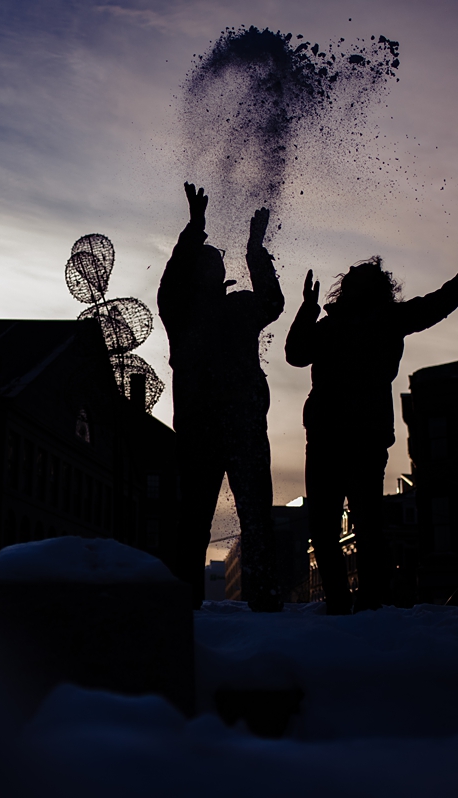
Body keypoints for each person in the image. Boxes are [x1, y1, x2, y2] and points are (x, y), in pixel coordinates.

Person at [285, 249, 458, 614]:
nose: (349, 283)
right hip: (328, 435)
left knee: (364, 523)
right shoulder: (331, 326)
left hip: (360, 434)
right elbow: (296, 354)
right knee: (329, 525)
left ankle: (369, 602)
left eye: (354, 281)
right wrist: (308, 309)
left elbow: (441, 302)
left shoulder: (389, 319)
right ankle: (340, 602)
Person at [158, 182, 285, 611]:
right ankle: (185, 605)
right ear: (197, 271)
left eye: (218, 258)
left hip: (245, 425)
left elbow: (272, 300)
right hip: (199, 429)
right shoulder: (181, 311)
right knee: (192, 521)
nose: (216, 261)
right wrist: (194, 229)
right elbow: (172, 280)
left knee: (257, 521)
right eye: (209, 258)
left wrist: (255, 247)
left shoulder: (241, 308)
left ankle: (265, 601)